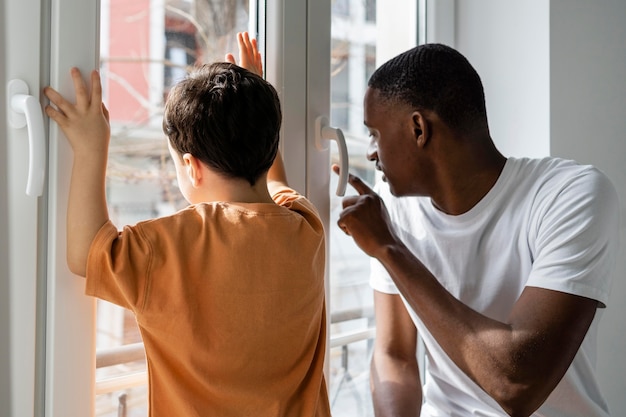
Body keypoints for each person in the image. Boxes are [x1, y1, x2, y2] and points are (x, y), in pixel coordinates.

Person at [44, 32, 331, 417]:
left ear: (192, 167)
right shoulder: (306, 227)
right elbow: (275, 182)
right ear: (269, 143)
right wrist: (253, 106)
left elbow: (87, 253)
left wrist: (91, 146)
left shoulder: (166, 246)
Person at [335, 43, 619, 416]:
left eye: (374, 133)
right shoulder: (397, 219)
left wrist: (388, 249)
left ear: (419, 129)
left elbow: (516, 384)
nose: (371, 152)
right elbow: (394, 355)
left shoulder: (570, 195)